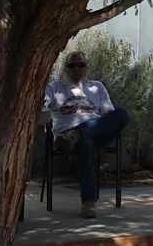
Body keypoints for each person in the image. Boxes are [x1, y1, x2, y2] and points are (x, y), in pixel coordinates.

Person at [45, 50, 126, 215]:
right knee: (85, 143)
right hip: (69, 132)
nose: (76, 68)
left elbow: (108, 114)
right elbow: (42, 107)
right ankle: (89, 203)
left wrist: (97, 125)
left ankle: (78, 133)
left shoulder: (97, 87)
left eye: (81, 65)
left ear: (86, 67)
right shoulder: (54, 87)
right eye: (72, 65)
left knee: (122, 114)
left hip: (94, 131)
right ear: (65, 68)